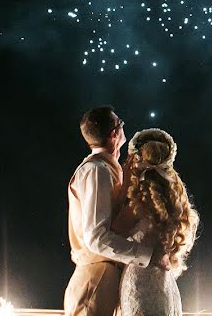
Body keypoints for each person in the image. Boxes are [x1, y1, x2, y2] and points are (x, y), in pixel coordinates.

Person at [64, 106, 169, 316]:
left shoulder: (108, 169)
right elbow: (97, 238)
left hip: (106, 277)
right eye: (120, 122)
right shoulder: (96, 171)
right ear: (114, 133)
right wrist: (147, 255)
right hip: (96, 280)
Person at [112, 128, 199, 316]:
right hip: (164, 281)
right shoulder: (173, 200)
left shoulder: (139, 203)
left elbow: (112, 233)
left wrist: (124, 185)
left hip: (139, 282)